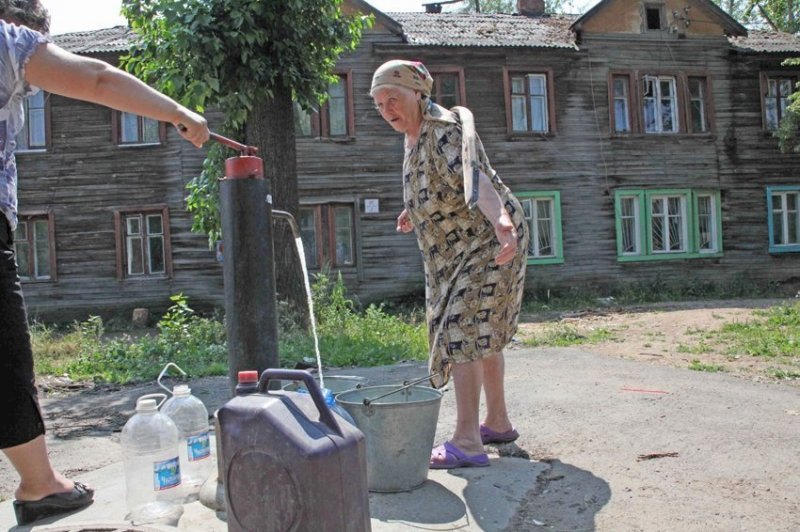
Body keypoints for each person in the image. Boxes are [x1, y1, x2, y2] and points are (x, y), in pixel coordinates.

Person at [0, 1, 209, 525]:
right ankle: (40, 484)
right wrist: (178, 114)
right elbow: (96, 78)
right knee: (3, 352)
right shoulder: (8, 41)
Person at [370, 59, 529, 469]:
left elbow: (475, 178)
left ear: (419, 94)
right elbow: (435, 185)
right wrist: (415, 211)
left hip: (485, 240)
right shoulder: (413, 134)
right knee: (483, 330)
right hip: (456, 251)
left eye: (394, 98)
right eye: (379, 102)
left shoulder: (443, 131)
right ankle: (496, 422)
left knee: (462, 331)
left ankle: (467, 441)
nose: (387, 108)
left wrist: (500, 222)